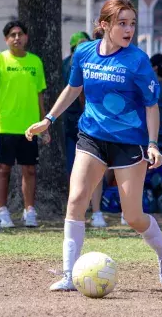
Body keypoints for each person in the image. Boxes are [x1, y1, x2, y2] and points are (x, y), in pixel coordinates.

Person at [25, 0, 162, 291]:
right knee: (76, 200)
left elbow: (152, 106)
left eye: (132, 23)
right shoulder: (84, 53)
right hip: (91, 136)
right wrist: (49, 119)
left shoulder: (137, 61)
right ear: (104, 25)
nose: (128, 29)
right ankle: (69, 274)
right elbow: (73, 88)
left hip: (129, 142)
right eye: (122, 23)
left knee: (132, 216)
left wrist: (154, 144)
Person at [0, 20, 49, 228]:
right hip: (5, 126)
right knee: (3, 169)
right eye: (12, 35)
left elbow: (40, 96)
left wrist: (44, 124)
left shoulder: (36, 62)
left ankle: (29, 211)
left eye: (20, 34)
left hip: (29, 128)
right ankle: (2, 212)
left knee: (29, 170)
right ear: (6, 39)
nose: (16, 38)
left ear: (26, 37)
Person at [63, 31, 107, 228]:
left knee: (77, 168)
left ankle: (81, 211)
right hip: (86, 121)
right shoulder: (88, 61)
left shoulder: (67, 62)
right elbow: (80, 92)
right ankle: (93, 211)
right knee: (93, 167)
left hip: (74, 121)